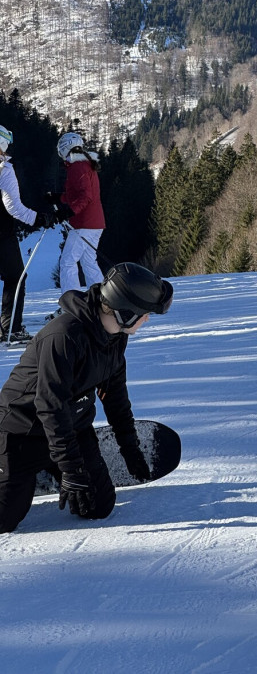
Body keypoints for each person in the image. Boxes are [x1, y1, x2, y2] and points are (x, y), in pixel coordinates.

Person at [0, 262, 173, 533]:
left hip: (71, 429)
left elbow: (115, 395)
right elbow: (50, 405)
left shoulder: (115, 337)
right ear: (125, 313)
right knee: (4, 520)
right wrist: (70, 468)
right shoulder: (64, 336)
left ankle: (43, 469)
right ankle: (22, 472)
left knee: (98, 506)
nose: (147, 319)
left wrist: (129, 447)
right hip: (22, 432)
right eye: (144, 313)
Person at [0, 125, 57, 343]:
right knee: (15, 277)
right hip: (1, 234)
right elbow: (13, 207)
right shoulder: (4, 170)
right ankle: (11, 329)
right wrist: (39, 218)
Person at [49, 131, 106, 293]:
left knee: (67, 261)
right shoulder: (86, 164)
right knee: (88, 261)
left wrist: (68, 212)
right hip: (96, 223)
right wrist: (58, 198)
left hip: (84, 223)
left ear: (65, 148)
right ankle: (101, 300)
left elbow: (85, 197)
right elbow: (78, 194)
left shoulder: (77, 166)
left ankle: (71, 303)